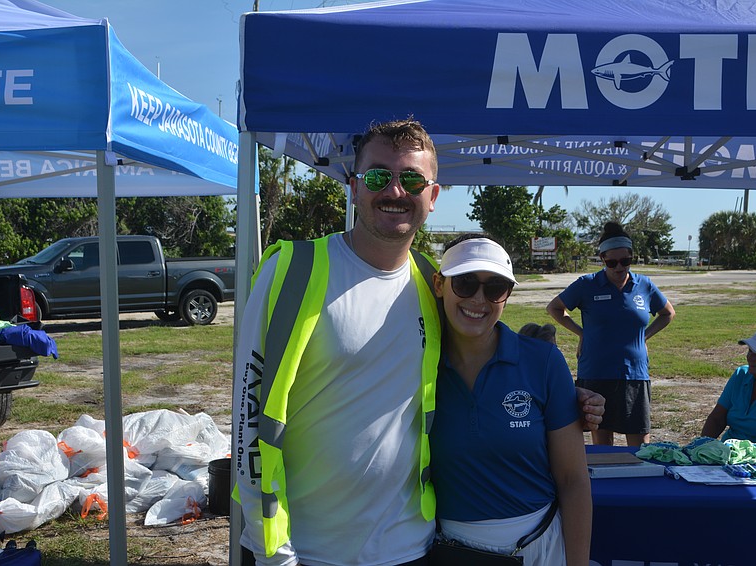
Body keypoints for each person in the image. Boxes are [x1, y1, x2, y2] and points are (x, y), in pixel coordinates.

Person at [233, 117, 604, 566]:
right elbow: (248, 420)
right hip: (306, 550)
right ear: (354, 186)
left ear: (432, 196)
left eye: (411, 179)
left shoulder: (431, 284)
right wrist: (274, 552)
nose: (394, 191)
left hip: (410, 548)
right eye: (377, 176)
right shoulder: (292, 272)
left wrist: (565, 399)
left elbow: (483, 354)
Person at [430, 236, 591, 566]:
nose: (479, 299)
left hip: (539, 547)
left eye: (495, 288)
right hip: (449, 551)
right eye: (464, 282)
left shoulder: (543, 361)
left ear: (508, 296)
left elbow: (573, 480)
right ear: (439, 284)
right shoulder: (418, 362)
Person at [546, 221, 675, 447]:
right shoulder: (587, 284)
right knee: (602, 446)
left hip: (634, 373)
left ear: (632, 257)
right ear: (602, 259)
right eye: (612, 262)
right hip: (597, 372)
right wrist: (581, 333)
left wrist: (643, 337)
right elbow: (555, 308)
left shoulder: (644, 285)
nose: (619, 267)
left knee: (640, 446)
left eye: (625, 261)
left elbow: (667, 313)